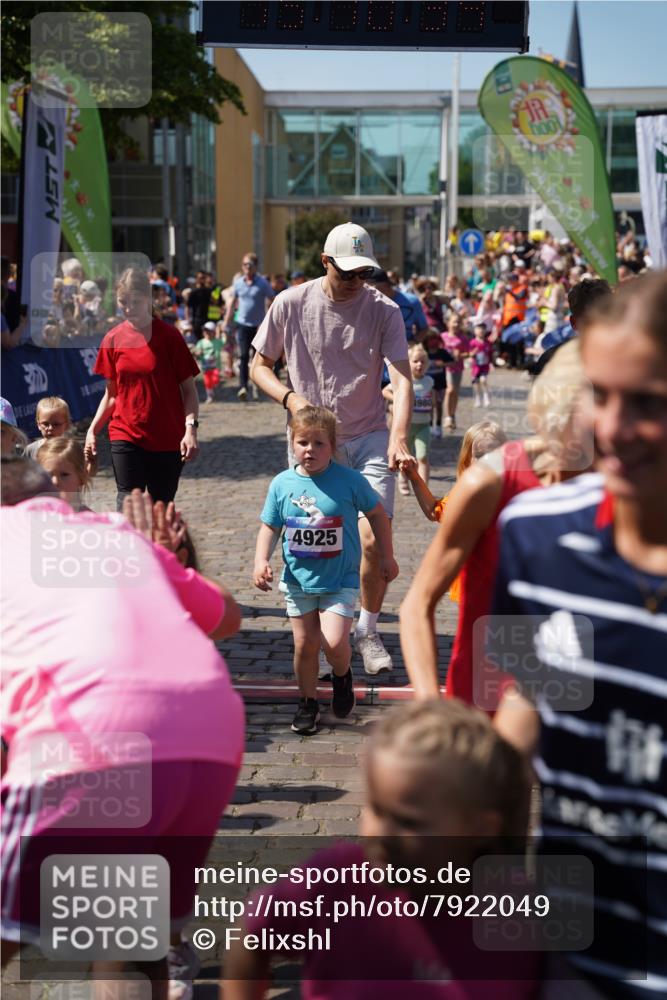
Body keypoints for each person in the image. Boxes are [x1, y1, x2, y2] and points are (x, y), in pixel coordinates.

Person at [1, 467, 244, 1000]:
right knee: (128, 938)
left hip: (94, 734)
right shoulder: (113, 532)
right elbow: (226, 616)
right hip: (208, 733)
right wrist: (158, 557)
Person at [492, 272, 667, 998]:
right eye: (601, 393)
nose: (613, 428)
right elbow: (527, 704)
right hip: (573, 962)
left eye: (648, 403)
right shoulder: (532, 540)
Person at [224, 699, 537, 999]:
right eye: (377, 808)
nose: (383, 834)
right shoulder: (334, 883)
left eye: (409, 822)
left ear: (481, 828)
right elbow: (253, 933)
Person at [250, 221, 415, 676]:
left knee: (370, 539)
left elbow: (402, 378)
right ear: (325, 262)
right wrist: (290, 398)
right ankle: (325, 639)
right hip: (312, 441)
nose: (356, 282)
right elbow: (259, 365)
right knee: (315, 545)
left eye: (364, 273)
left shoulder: (384, 310)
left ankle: (368, 628)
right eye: (347, 273)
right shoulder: (291, 303)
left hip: (367, 437)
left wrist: (398, 433)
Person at [400, 340, 591, 706]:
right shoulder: (489, 481)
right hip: (480, 703)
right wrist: (430, 707)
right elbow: (417, 603)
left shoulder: (627, 491)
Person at [253, 406, 398, 735]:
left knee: (334, 643)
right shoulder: (282, 484)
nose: (310, 450)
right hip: (298, 580)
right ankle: (307, 703)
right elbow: (269, 526)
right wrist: (261, 560)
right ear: (292, 443)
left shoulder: (349, 481)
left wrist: (386, 555)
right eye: (303, 442)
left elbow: (376, 513)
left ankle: (342, 676)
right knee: (305, 646)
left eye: (319, 443)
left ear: (333, 446)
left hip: (339, 580)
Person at [85, 267, 200, 510]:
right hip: (125, 432)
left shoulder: (170, 337)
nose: (128, 309)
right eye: (122, 302)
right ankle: (128, 548)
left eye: (135, 302)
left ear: (149, 299)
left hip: (167, 437)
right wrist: (92, 430)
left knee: (161, 508)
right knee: (128, 501)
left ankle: (155, 548)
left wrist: (190, 429)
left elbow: (189, 390)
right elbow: (112, 395)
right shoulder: (113, 339)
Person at [401, 420, 507, 606]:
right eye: (479, 455)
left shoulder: (513, 494)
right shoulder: (463, 495)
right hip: (471, 586)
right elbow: (435, 511)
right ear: (467, 460)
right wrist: (414, 476)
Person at [223, 253, 275, 401]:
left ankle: (257, 386)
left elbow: (273, 300)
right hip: (242, 324)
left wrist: (270, 320)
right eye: (244, 265)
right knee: (243, 356)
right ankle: (243, 387)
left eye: (249, 265)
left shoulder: (263, 283)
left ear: (255, 267)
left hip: (259, 325)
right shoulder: (239, 283)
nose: (246, 267)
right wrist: (226, 322)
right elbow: (232, 302)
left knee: (257, 358)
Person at [388, 343, 433, 493]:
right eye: (415, 361)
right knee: (406, 456)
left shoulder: (429, 381)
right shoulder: (405, 381)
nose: (419, 365)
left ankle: (423, 487)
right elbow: (384, 391)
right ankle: (403, 481)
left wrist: (435, 416)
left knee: (423, 456)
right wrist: (399, 399)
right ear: (408, 363)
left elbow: (432, 400)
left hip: (424, 425)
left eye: (422, 362)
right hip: (407, 426)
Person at [36, 436, 96, 512]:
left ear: (82, 477)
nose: (55, 481)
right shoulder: (31, 517)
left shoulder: (91, 520)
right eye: (48, 475)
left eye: (64, 475)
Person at [367, 270, 428, 343]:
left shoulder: (412, 301)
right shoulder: (367, 303)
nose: (370, 292)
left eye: (373, 289)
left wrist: (413, 343)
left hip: (405, 350)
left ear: (386, 285)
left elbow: (424, 328)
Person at [442, 313, 469, 432]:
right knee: (449, 390)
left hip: (457, 368)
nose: (456, 324)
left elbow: (468, 353)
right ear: (448, 323)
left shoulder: (463, 338)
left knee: (455, 392)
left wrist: (461, 355)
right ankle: (447, 416)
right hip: (445, 368)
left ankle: (452, 415)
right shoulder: (442, 336)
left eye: (458, 322)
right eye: (454, 322)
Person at [424, 329, 452, 438]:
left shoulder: (442, 352)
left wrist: (443, 364)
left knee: (439, 405)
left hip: (441, 382)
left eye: (435, 339)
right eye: (431, 339)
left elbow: (452, 362)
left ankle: (439, 426)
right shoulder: (424, 352)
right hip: (428, 384)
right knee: (431, 404)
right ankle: (430, 426)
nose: (433, 342)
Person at [24, 395, 72, 460]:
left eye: (56, 424)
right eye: (45, 424)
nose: (50, 428)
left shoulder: (72, 450)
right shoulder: (31, 450)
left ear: (67, 425)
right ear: (38, 424)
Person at [194, 320, 224, 404]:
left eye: (209, 331)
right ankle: (209, 396)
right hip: (205, 366)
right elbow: (197, 350)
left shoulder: (217, 342)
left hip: (216, 366)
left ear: (213, 332)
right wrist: (197, 352)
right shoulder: (201, 342)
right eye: (205, 331)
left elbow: (224, 342)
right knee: (207, 382)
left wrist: (223, 332)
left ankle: (214, 389)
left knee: (215, 379)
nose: (206, 333)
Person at [468, 323, 493, 408]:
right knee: (476, 383)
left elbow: (490, 354)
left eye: (483, 329)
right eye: (478, 329)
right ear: (474, 331)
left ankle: (486, 395)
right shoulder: (472, 342)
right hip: (475, 367)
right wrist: (471, 355)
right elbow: (469, 353)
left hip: (484, 366)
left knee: (483, 380)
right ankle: (478, 398)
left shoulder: (488, 343)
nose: (481, 331)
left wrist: (491, 363)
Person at [187, 270, 212, 339]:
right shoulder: (193, 292)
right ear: (197, 279)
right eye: (200, 278)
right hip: (196, 320)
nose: (202, 280)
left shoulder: (208, 291)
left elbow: (213, 303)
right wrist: (188, 320)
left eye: (203, 278)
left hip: (207, 319)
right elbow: (188, 307)